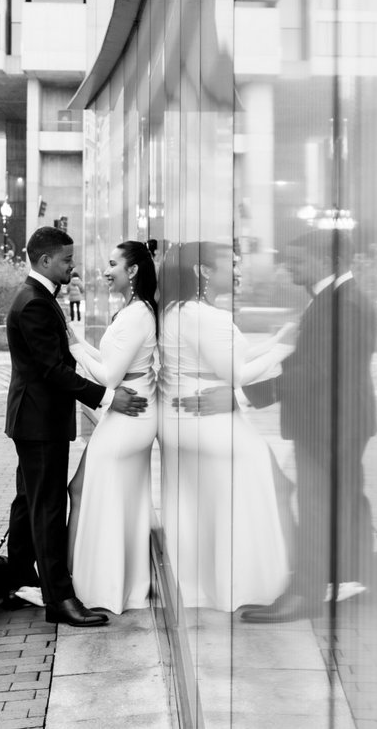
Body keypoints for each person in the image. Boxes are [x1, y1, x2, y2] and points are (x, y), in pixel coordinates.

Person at [180, 230, 377, 623]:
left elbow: (316, 371)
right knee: (341, 501)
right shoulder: (336, 299)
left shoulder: (344, 304)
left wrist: (239, 398)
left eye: (299, 260)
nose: (289, 268)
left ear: (327, 261)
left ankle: (308, 594)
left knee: (318, 504)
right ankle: (348, 581)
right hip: (335, 421)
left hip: (331, 423)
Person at [3, 226, 148, 628]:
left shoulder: (38, 298)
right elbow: (52, 370)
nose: (74, 266)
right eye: (67, 260)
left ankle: (19, 581)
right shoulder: (34, 303)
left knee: (30, 501)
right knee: (48, 509)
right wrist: (106, 396)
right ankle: (60, 600)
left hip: (34, 421)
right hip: (39, 422)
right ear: (45, 261)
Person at [157, 241, 294, 611]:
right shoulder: (205, 317)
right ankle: (246, 586)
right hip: (208, 423)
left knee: (208, 505)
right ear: (202, 270)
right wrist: (285, 351)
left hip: (185, 421)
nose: (236, 270)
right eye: (229, 264)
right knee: (257, 484)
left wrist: (277, 340)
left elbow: (237, 354)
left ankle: (209, 584)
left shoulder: (181, 311)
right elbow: (237, 373)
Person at [64, 240, 159, 614]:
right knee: (96, 492)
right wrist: (79, 343)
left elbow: (110, 375)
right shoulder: (135, 310)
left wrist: (74, 351)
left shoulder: (137, 315)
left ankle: (95, 585)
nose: (106, 270)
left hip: (128, 415)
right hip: (127, 412)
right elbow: (109, 360)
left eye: (113, 263)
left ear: (132, 271)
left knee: (91, 491)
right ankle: (105, 582)